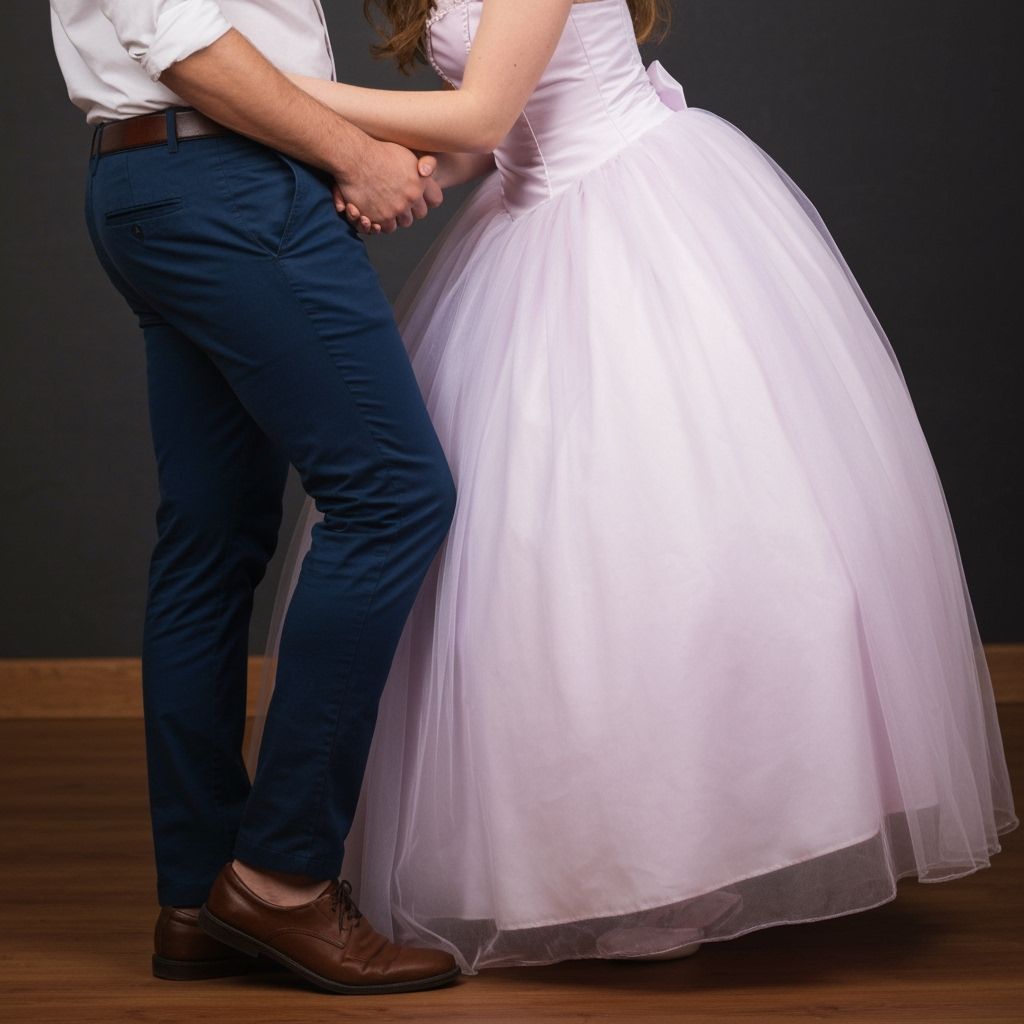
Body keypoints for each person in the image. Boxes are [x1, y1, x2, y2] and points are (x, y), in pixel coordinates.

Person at [248, 0, 1019, 973]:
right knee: (541, 580)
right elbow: (496, 138)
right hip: (527, 222)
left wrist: (270, 96)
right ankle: (598, 855)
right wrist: (419, 171)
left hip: (630, 216)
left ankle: (699, 847)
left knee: (658, 544)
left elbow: (482, 112)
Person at [49, 0, 462, 995]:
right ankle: (281, 880)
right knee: (393, 496)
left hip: (165, 175)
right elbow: (179, 35)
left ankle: (198, 900)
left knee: (212, 538)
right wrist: (353, 155)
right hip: (218, 176)